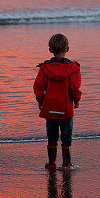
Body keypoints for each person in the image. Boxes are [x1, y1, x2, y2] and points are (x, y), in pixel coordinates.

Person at [34, 34, 82, 170]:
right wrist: (77, 100)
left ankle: (51, 163)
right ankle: (67, 163)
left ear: (50, 50)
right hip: (66, 109)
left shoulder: (45, 68)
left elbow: (38, 86)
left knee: (52, 136)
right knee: (66, 136)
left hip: (49, 108)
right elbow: (74, 87)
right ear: (67, 48)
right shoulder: (73, 68)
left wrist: (40, 101)